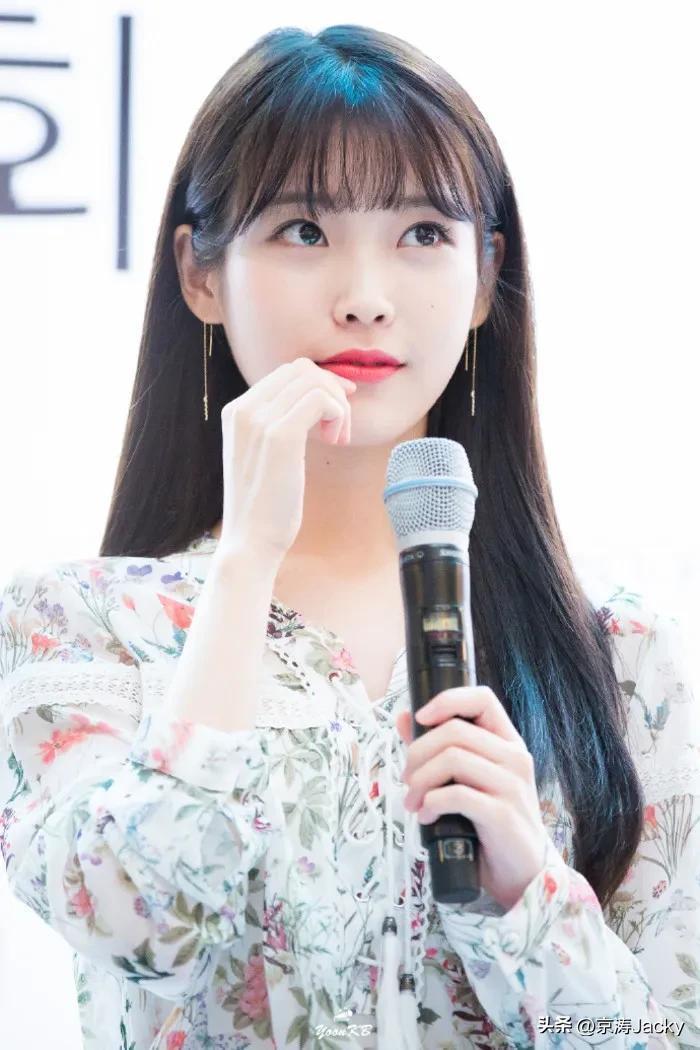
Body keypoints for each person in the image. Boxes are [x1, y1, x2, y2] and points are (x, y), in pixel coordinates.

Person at [1, 22, 698, 1050]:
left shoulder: (618, 657)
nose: (366, 298)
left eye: (422, 234)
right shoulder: (85, 630)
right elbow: (137, 925)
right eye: (303, 230)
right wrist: (245, 564)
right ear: (201, 273)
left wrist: (530, 898)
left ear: (484, 276)